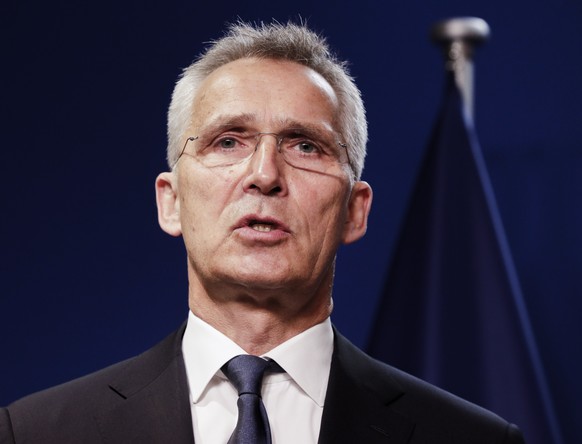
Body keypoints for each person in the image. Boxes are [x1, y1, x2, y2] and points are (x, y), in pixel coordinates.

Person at [0, 21, 524, 444]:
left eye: (305, 146)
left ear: (353, 211)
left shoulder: (470, 438)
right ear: (172, 200)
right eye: (228, 141)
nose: (265, 174)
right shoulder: (36, 433)